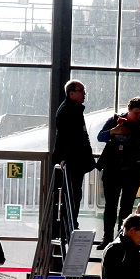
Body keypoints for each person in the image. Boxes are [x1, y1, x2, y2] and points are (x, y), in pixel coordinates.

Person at [95, 97, 140, 249]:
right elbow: (100, 137)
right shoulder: (115, 121)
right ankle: (107, 237)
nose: (138, 117)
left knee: (126, 206)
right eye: (136, 113)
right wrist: (113, 131)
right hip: (112, 170)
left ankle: (122, 237)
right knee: (110, 205)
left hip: (133, 172)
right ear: (129, 110)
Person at [53, 79, 96, 230]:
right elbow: (65, 137)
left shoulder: (74, 110)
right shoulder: (67, 111)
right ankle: (70, 225)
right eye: (81, 91)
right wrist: (64, 157)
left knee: (75, 194)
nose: (84, 94)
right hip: (73, 159)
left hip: (77, 159)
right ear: (71, 93)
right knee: (72, 194)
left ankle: (72, 223)